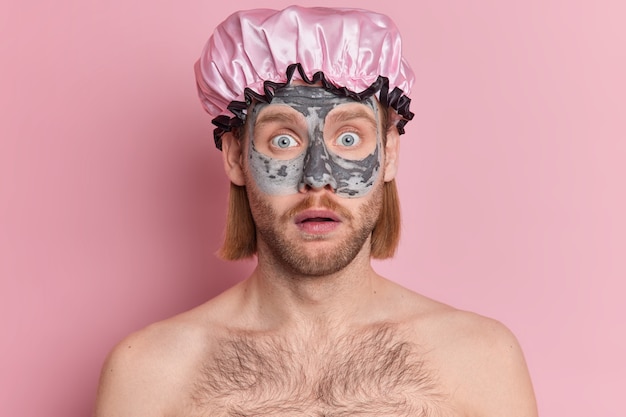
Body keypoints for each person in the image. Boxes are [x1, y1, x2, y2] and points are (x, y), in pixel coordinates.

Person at [94, 6, 537, 416]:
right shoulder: (149, 375)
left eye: (348, 138)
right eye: (283, 140)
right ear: (234, 156)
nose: (317, 178)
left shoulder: (481, 361)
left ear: (389, 154)